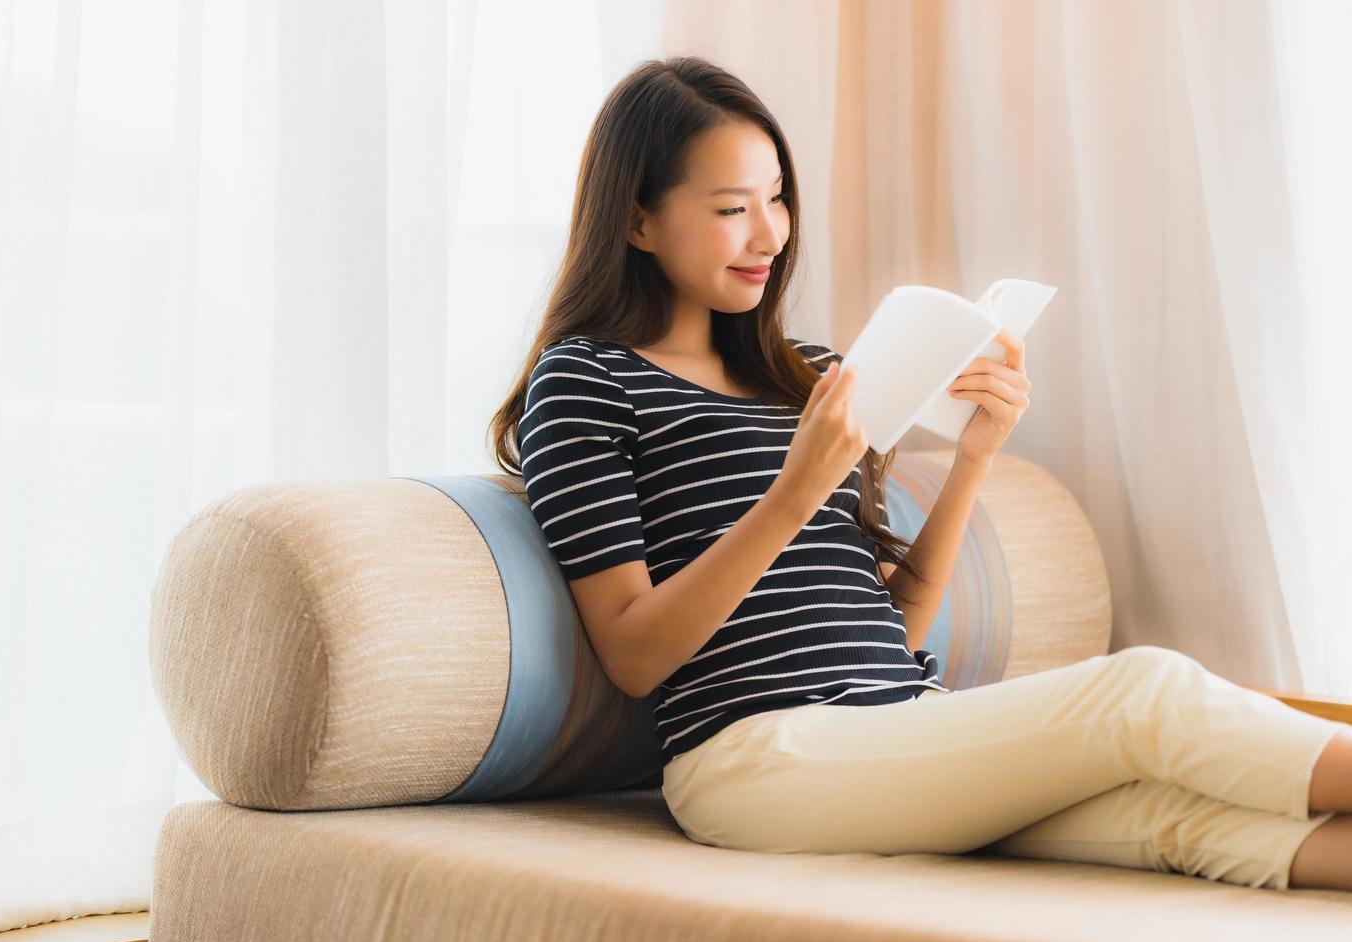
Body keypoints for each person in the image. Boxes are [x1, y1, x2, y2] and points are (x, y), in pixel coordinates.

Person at [486, 55, 1352, 891]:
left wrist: (973, 456)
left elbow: (891, 628)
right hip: (753, 757)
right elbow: (633, 655)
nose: (769, 233)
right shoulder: (587, 381)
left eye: (778, 198)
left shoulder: (809, 377)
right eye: (731, 207)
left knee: (1180, 818)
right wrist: (793, 493)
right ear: (637, 221)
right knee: (1144, 690)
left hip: (896, 722)